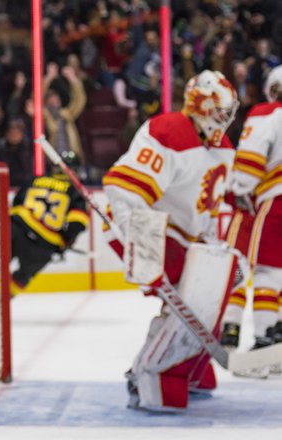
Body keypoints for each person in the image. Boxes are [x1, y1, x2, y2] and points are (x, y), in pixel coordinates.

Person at [102, 70, 239, 412]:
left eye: (228, 112)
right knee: (190, 296)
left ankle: (190, 367)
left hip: (180, 234)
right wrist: (144, 252)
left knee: (223, 274)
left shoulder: (222, 147)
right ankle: (151, 375)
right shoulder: (169, 131)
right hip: (145, 228)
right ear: (200, 108)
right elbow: (125, 192)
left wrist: (212, 250)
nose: (225, 120)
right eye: (219, 112)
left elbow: (206, 208)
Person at [220, 65, 282, 377]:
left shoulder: (267, 113)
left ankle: (265, 344)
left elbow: (250, 160)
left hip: (276, 201)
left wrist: (238, 188)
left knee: (266, 272)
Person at [9, 152, 89, 294]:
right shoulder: (74, 192)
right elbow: (77, 224)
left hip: (15, 230)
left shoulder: (34, 179)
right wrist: (65, 240)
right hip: (44, 244)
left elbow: (17, 202)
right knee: (22, 277)